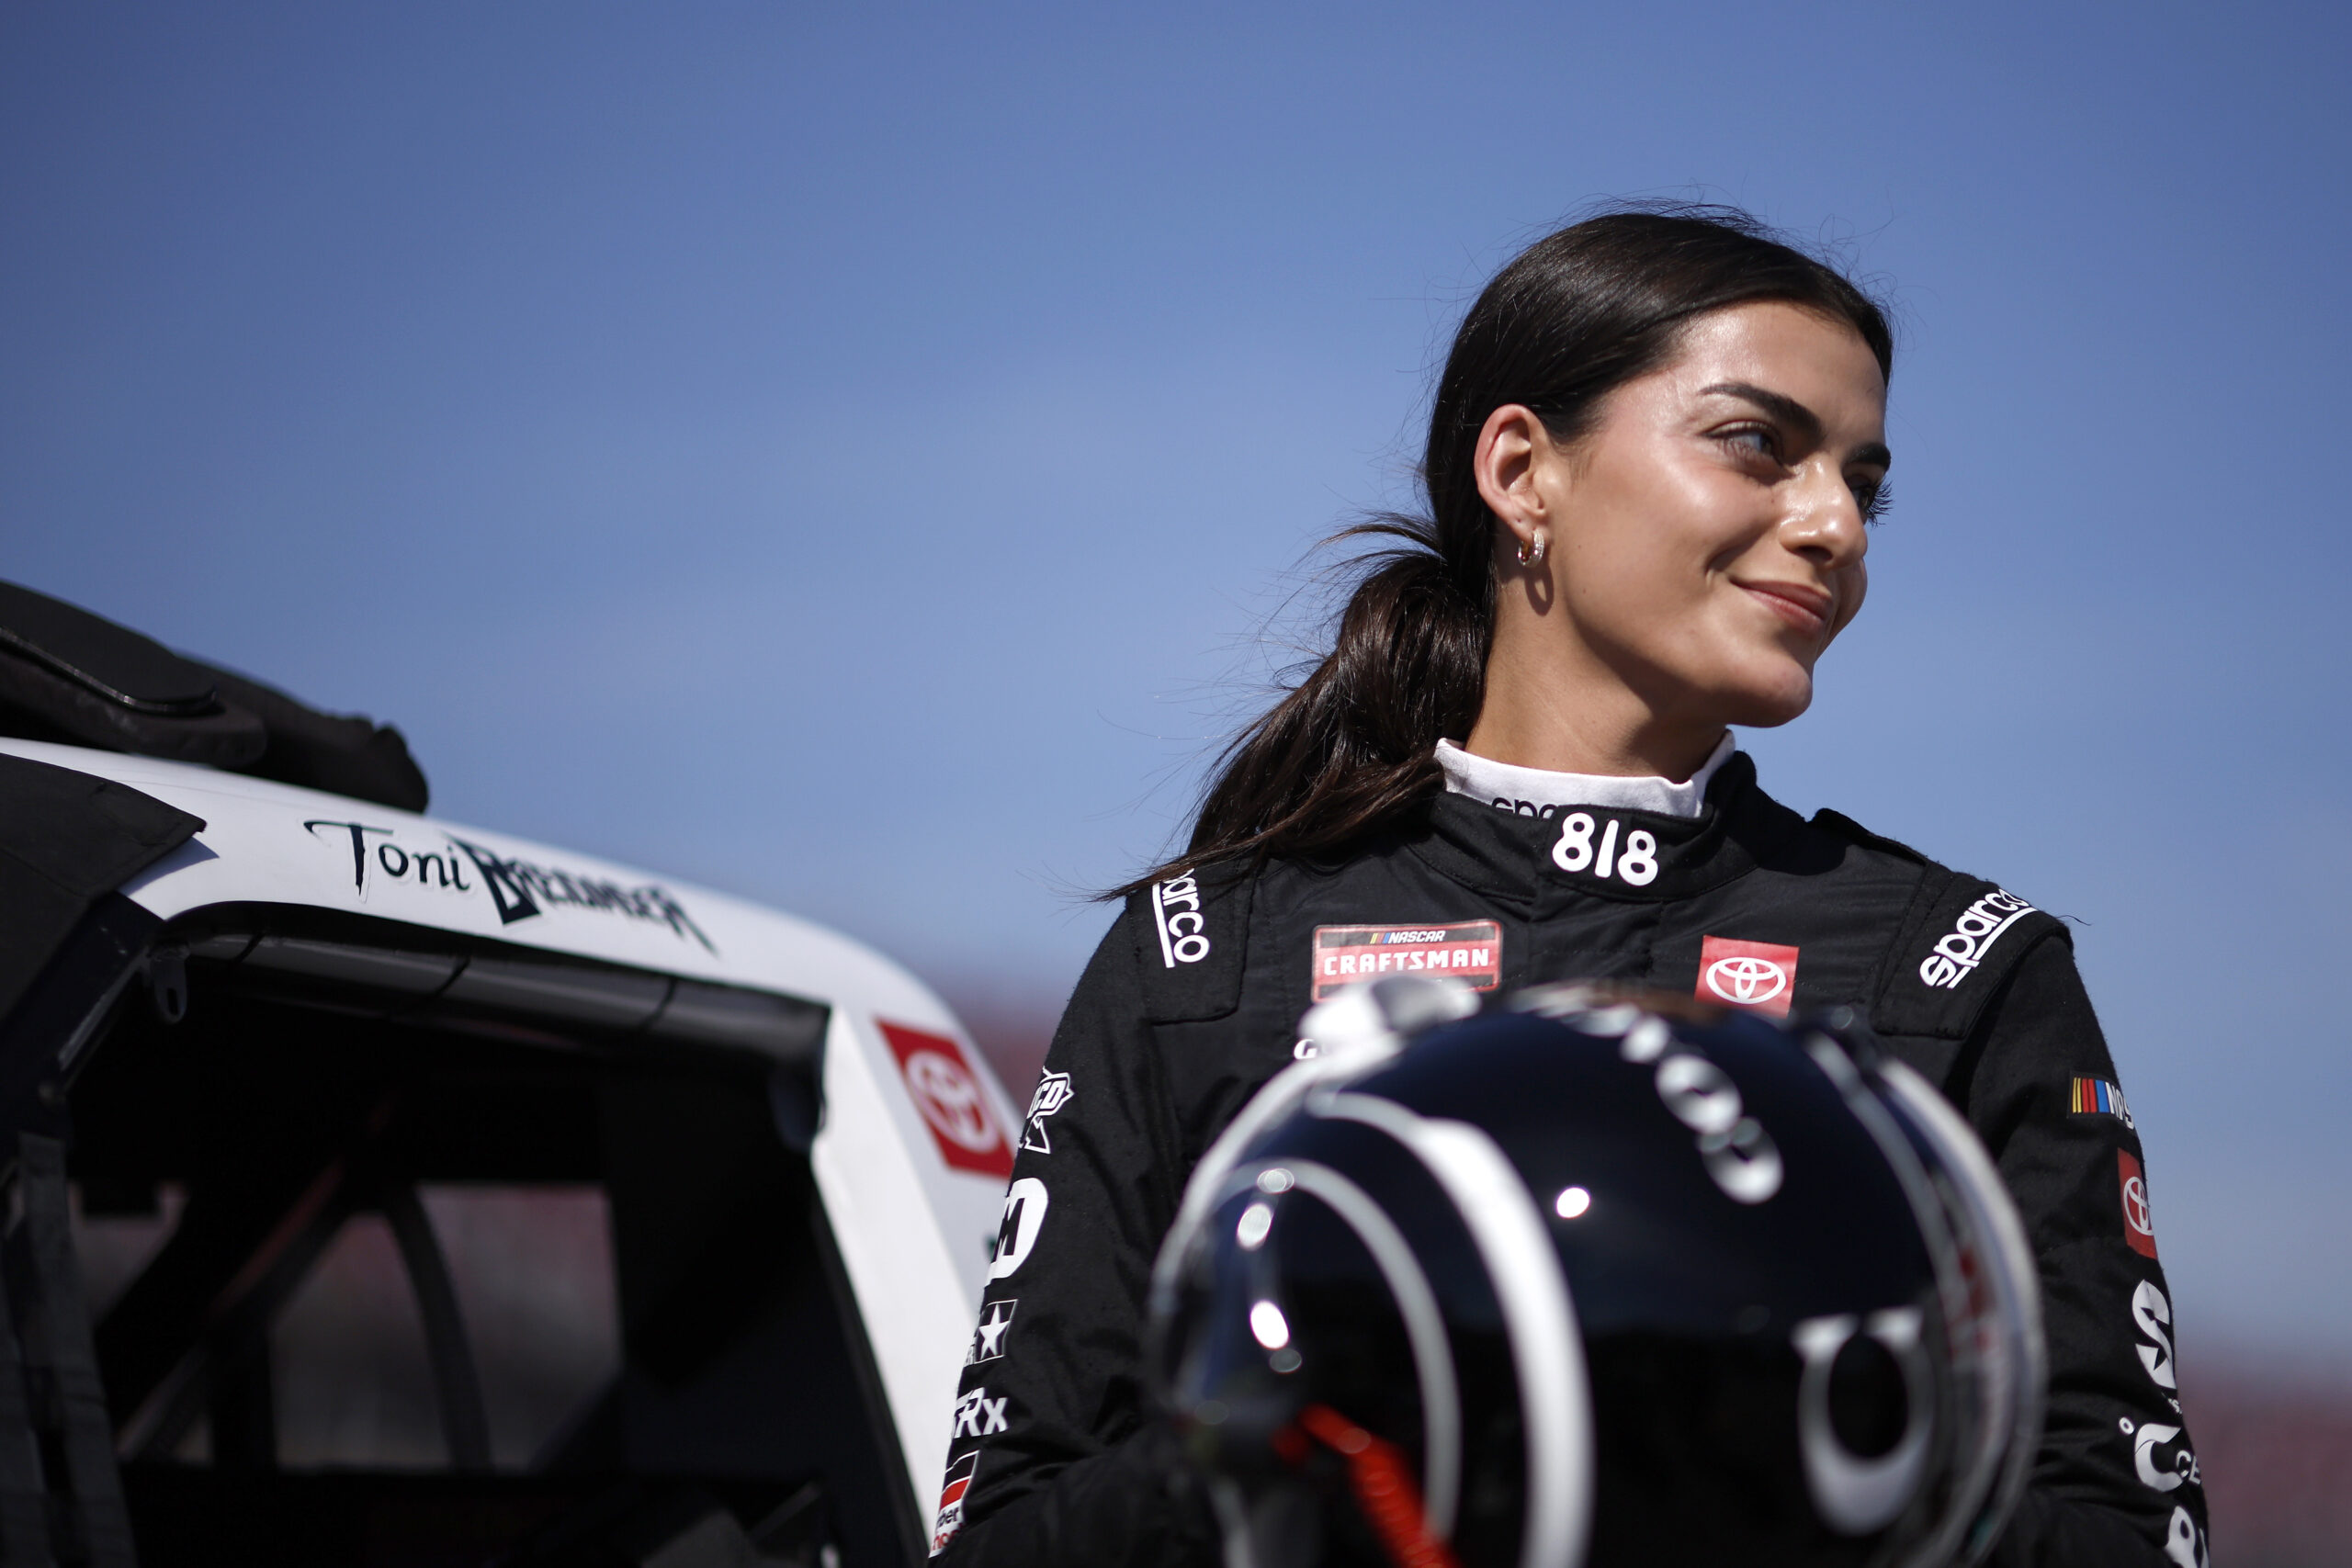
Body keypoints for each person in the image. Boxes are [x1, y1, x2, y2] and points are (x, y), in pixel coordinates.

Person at [933, 207, 2206, 1567]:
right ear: (1523, 471)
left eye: (1864, 483)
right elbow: (1001, 1531)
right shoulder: (1204, 954)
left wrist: (1764, 1444)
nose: (1836, 525)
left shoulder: (1964, 974)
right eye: (1759, 445)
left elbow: (2134, 1542)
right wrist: (1308, 1422)